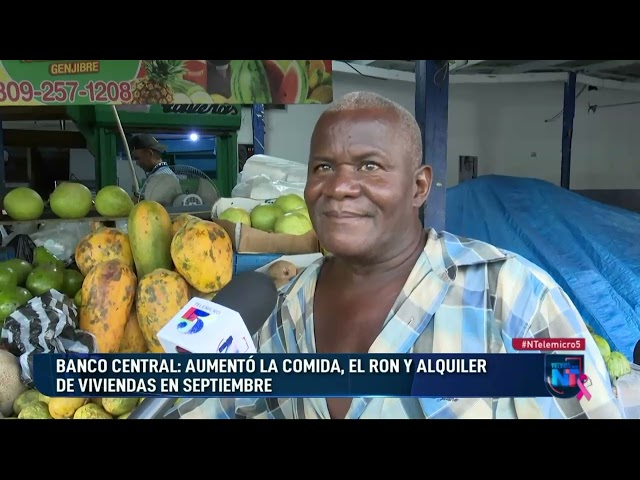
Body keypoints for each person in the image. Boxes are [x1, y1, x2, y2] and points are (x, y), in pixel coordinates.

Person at [180, 91, 623, 420]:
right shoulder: (280, 308)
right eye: (323, 167)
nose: (339, 186)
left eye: (369, 166)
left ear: (419, 186)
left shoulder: (515, 298)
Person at [129, 134, 181, 205]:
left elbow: (149, 204)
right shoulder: (156, 175)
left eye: (138, 158)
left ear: (149, 153)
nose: (137, 163)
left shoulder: (163, 178)